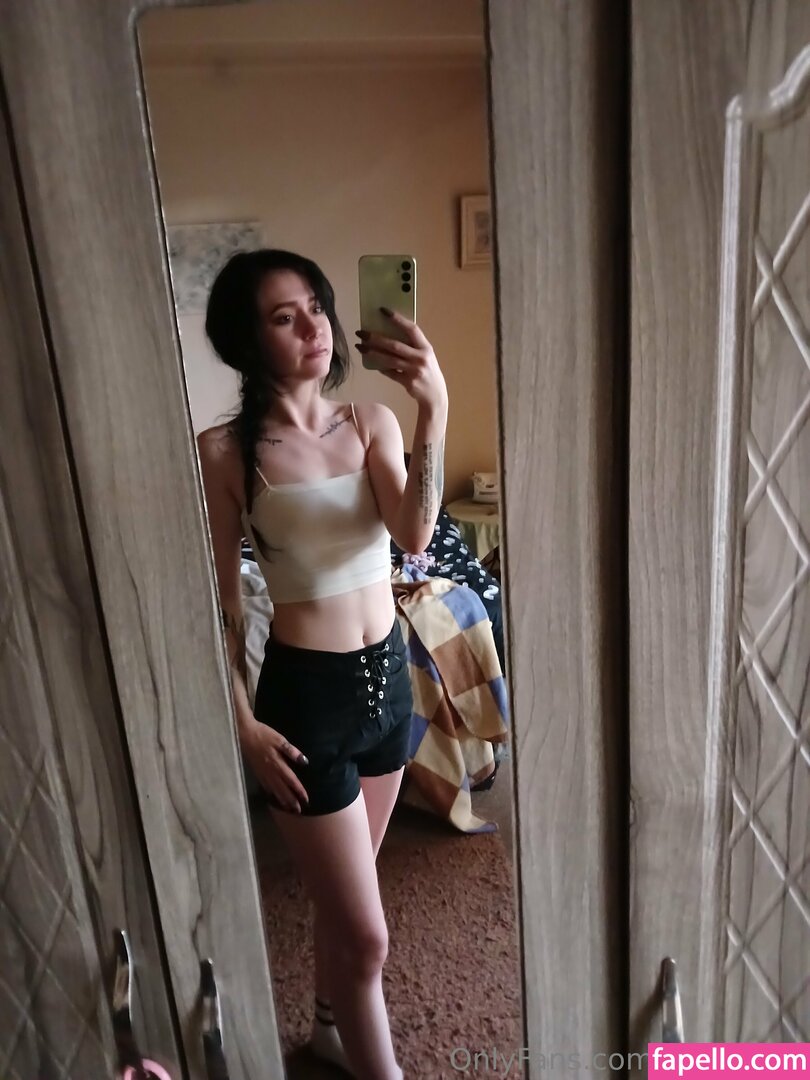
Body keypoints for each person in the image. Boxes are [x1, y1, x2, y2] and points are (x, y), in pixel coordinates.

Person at [197, 249, 448, 1080]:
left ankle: (330, 1029)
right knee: (367, 936)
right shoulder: (224, 451)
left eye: (316, 305)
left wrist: (433, 407)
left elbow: (414, 534)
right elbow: (221, 604)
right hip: (306, 704)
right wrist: (242, 725)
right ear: (248, 339)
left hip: (388, 684)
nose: (314, 326)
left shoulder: (370, 422)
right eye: (284, 316)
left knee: (350, 903)